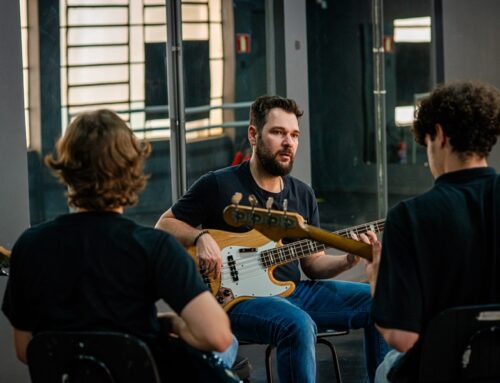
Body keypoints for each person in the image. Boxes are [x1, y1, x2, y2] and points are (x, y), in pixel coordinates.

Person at [156, 95, 389, 382]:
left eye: (294, 135)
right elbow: (164, 225)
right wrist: (201, 235)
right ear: (253, 135)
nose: (288, 142)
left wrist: (347, 259)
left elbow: (313, 264)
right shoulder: (219, 184)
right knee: (298, 323)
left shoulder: (302, 193)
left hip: (293, 291)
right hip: (237, 300)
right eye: (278, 132)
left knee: (383, 298)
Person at [1, 109, 237, 381]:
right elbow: (217, 336)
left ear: (66, 168)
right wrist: (172, 324)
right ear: (131, 169)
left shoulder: (29, 246)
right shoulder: (154, 247)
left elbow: (25, 349)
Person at [362, 81, 500, 382]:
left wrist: (377, 284)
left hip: (443, 373)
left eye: (425, 144)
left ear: (439, 135)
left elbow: (401, 338)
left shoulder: (409, 217)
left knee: (386, 366)